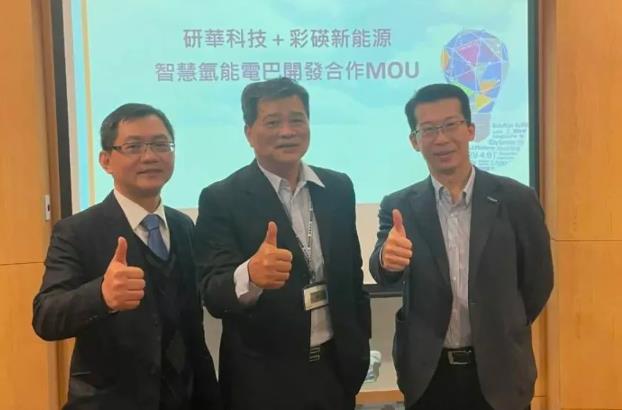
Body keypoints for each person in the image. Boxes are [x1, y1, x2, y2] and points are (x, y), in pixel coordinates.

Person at [369, 84, 553, 410]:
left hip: (501, 371)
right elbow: (383, 273)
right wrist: (387, 259)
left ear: (470, 130)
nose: (441, 139)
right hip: (429, 375)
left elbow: (537, 282)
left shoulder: (516, 199)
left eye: (451, 125)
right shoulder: (400, 205)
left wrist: (504, 324)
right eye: (428, 129)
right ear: (414, 141)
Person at [194, 77, 371, 410]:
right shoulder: (222, 198)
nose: (287, 131)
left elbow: (352, 274)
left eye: (297, 120)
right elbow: (213, 293)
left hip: (335, 371)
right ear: (249, 132)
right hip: (263, 380)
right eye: (273, 122)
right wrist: (250, 275)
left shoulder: (337, 187)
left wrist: (359, 349)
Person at [33, 103, 222, 410]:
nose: (150, 156)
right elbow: (46, 317)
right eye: (133, 146)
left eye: (161, 144)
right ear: (105, 160)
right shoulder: (77, 231)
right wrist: (101, 295)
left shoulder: (183, 225)